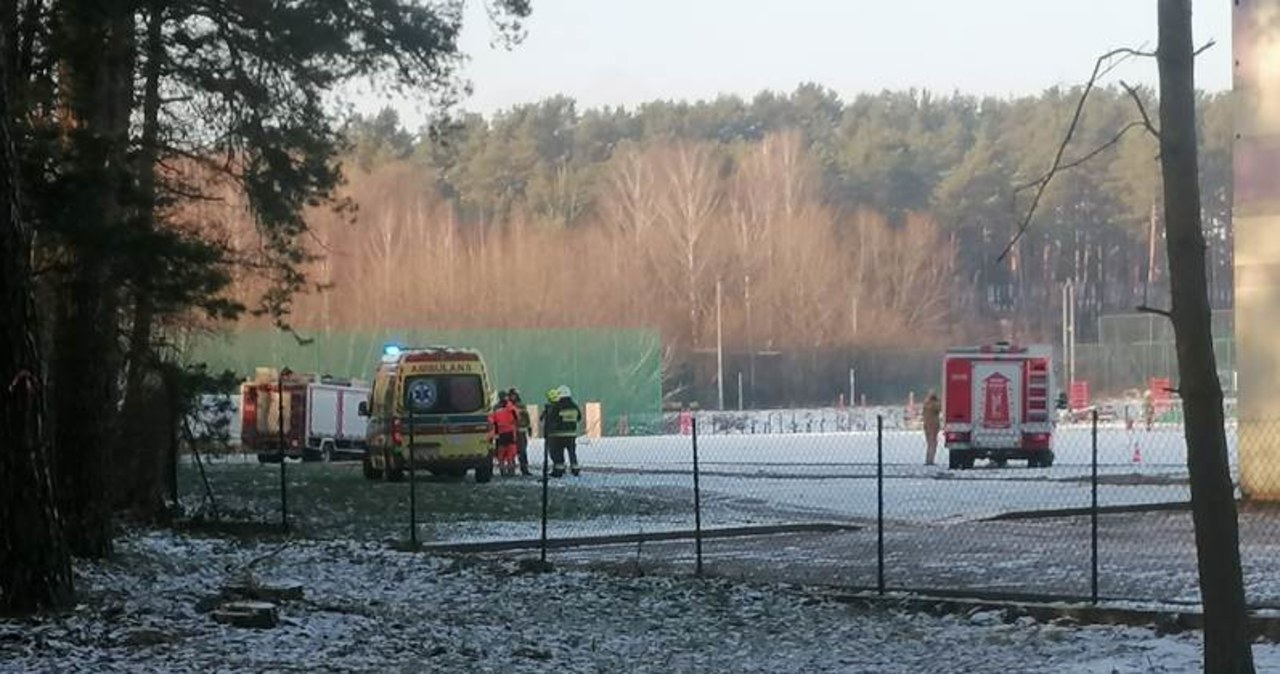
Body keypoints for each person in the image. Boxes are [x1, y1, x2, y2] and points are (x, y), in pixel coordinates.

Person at [541, 385, 582, 477]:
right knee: (572, 453)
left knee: (558, 453)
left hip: (558, 435)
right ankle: (575, 469)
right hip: (571, 435)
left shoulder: (557, 406)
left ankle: (558, 471)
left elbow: (552, 418)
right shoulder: (574, 406)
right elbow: (579, 417)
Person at [490, 392, 520, 476]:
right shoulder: (511, 407)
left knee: (501, 454)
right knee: (511, 453)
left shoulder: (496, 408)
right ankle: (511, 470)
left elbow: (491, 420)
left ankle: (502, 470)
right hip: (510, 432)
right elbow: (517, 417)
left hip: (500, 433)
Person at [508, 388, 532, 476]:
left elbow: (527, 418)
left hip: (520, 432)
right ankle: (511, 469)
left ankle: (524, 469)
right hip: (510, 432)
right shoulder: (507, 406)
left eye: (514, 395)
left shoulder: (521, 405)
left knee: (522, 451)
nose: (513, 397)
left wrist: (529, 428)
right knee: (510, 451)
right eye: (511, 395)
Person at [922, 390, 942, 466]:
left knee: (929, 444)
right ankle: (930, 460)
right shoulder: (935, 404)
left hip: (927, 425)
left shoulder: (926, 404)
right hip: (933, 425)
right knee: (933, 444)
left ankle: (928, 459)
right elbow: (939, 408)